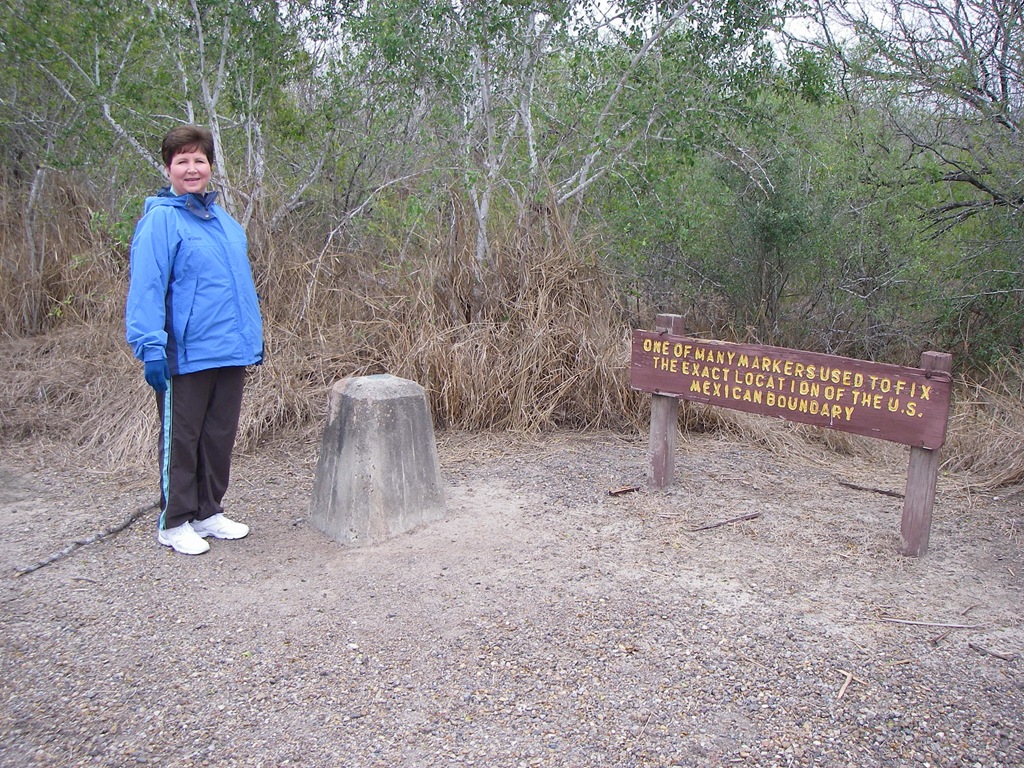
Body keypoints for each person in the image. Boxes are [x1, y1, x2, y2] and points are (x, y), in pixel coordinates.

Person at [125, 125, 264, 555]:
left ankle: (208, 512)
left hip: (229, 350)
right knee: (181, 439)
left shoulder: (226, 224)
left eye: (199, 160)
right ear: (168, 168)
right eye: (181, 160)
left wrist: (251, 342)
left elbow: (239, 289)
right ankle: (175, 520)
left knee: (218, 435)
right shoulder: (161, 221)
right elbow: (147, 287)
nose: (191, 168)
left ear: (210, 167)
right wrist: (150, 346)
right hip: (184, 354)